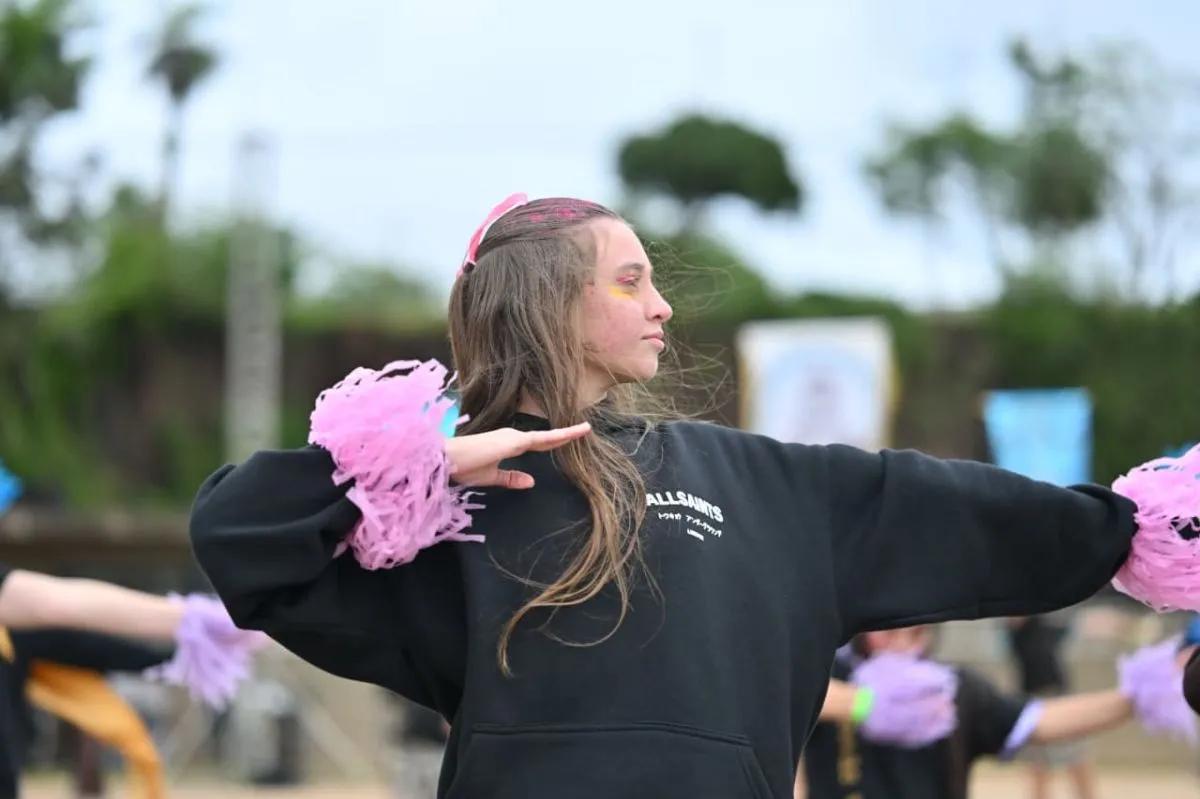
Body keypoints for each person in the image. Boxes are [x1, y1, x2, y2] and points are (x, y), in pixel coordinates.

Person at [189, 193, 1199, 799]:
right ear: (548, 298)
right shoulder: (447, 518)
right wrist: (421, 462)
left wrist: (1138, 527)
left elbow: (985, 515)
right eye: (630, 280)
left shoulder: (771, 485)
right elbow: (240, 535)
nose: (663, 302)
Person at [798, 626, 1193, 799]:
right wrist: (864, 703)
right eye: (886, 629)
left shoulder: (953, 688)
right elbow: (785, 691)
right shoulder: (826, 672)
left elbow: (1042, 720)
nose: (900, 641)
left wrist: (1136, 696)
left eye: (914, 631)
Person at [1004, 616, 1096, 799]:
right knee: (1037, 761)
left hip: (1056, 696)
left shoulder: (1041, 625)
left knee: (1075, 755)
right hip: (1032, 700)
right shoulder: (1015, 633)